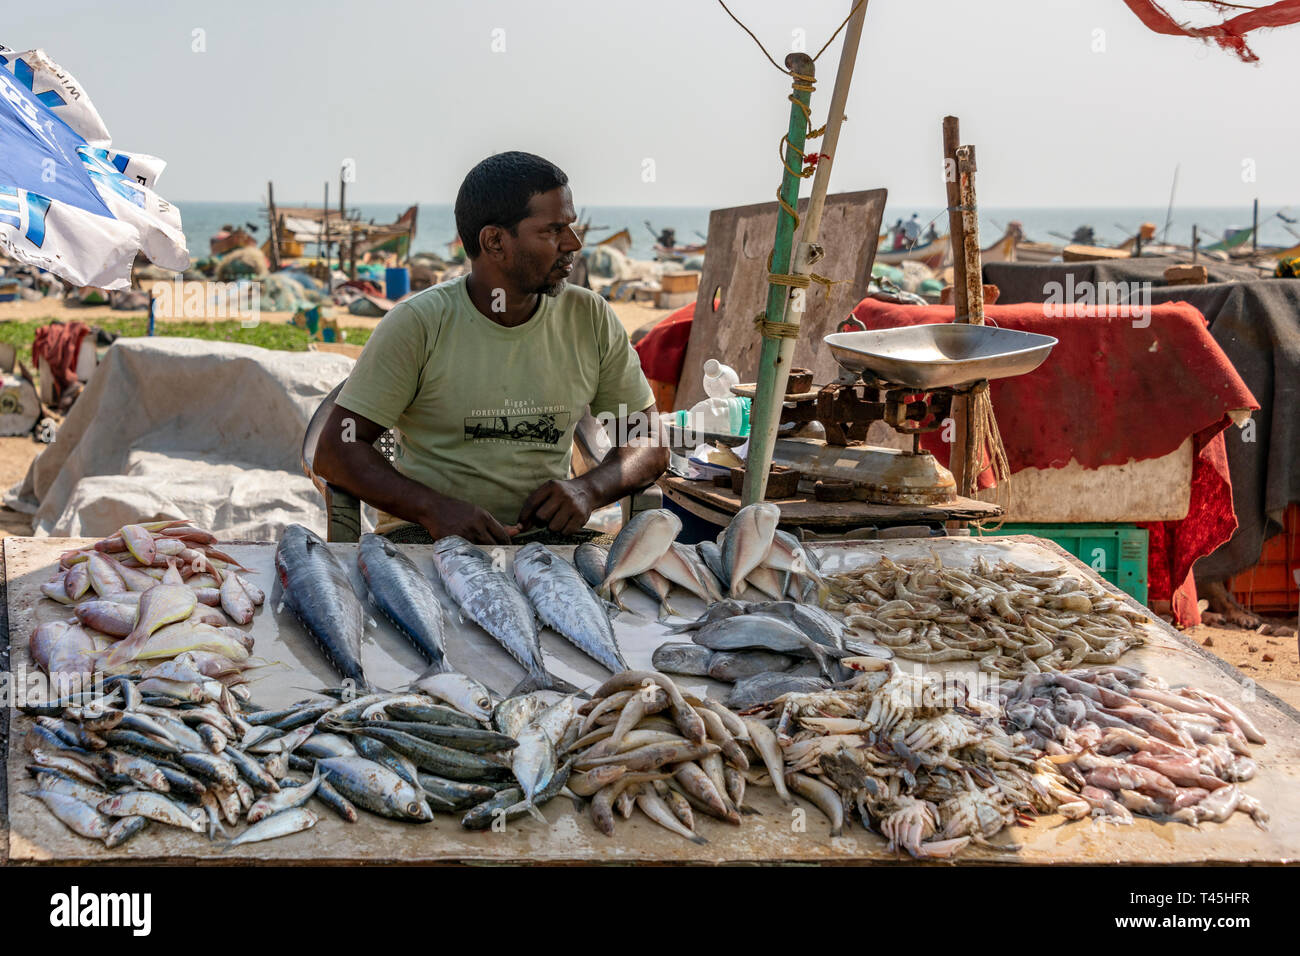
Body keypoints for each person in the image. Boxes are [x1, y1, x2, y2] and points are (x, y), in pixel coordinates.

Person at [313, 151, 668, 545]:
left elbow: (648, 439)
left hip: (545, 541)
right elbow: (335, 448)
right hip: (427, 538)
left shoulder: (590, 317)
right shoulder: (419, 323)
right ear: (495, 241)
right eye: (553, 230)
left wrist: (589, 489)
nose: (574, 243)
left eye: (570, 226)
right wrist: (435, 509)